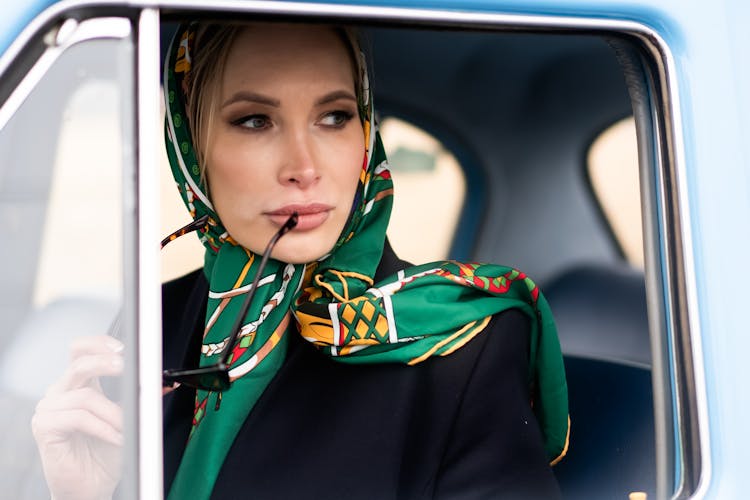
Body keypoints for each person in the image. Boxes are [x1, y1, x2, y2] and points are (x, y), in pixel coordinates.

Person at [33, 21, 569, 500]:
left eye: (335, 116)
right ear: (192, 148)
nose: (303, 166)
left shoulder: (467, 347)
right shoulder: (151, 324)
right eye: (254, 121)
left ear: (365, 138)